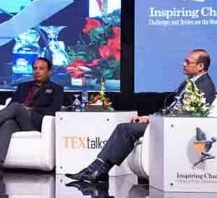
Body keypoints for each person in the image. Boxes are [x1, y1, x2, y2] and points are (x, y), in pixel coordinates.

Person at [67, 49, 216, 183]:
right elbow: (173, 109)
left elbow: (190, 114)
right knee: (126, 126)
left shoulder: (205, 86)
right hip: (166, 124)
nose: (183, 64)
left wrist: (152, 120)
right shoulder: (189, 83)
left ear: (200, 66)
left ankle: (99, 169)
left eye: (188, 62)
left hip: (176, 128)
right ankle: (97, 169)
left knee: (125, 129)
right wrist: (148, 118)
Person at [0, 57, 64, 177]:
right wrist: (19, 109)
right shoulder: (23, 86)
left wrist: (30, 110)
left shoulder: (56, 89)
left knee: (16, 106)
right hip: (18, 120)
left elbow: (54, 110)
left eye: (41, 68)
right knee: (7, 123)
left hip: (36, 122)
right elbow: (10, 106)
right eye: (35, 68)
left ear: (49, 71)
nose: (37, 71)